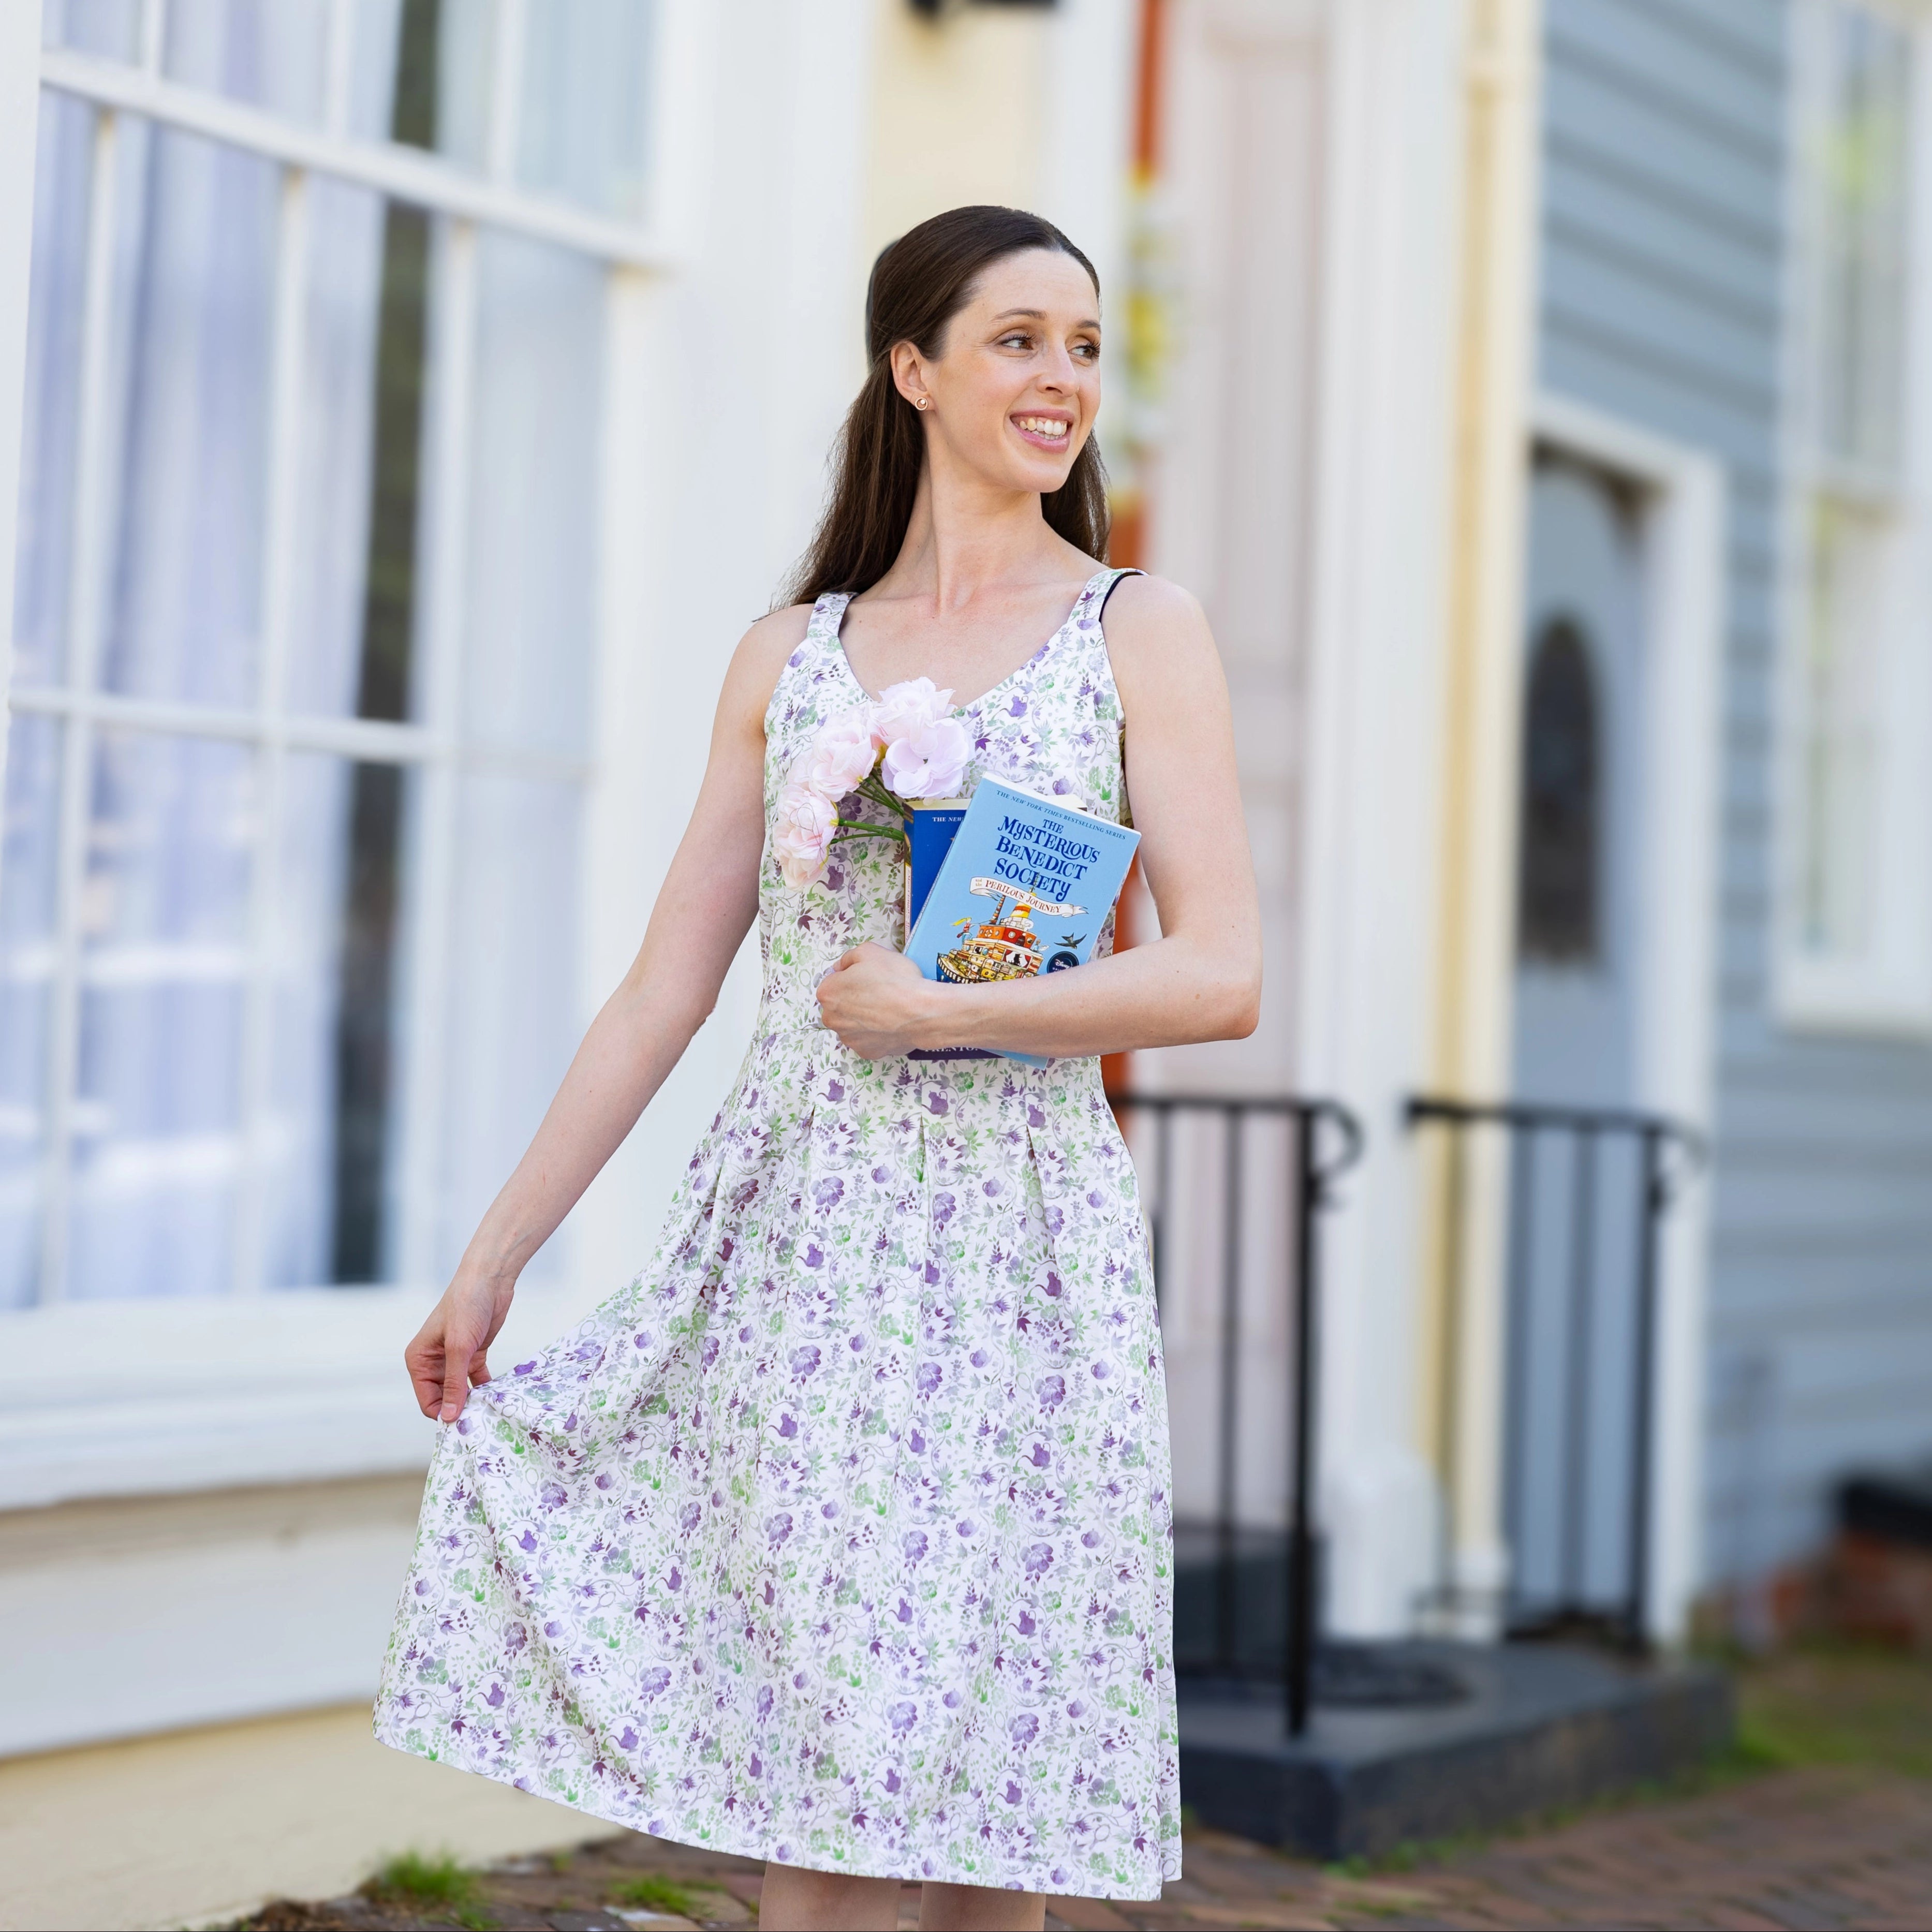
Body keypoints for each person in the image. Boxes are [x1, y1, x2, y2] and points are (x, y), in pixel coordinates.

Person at [374, 204, 1261, 1932]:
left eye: (1085, 347)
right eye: (1018, 340)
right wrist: (491, 1263)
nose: (1064, 379)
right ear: (912, 369)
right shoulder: (790, 657)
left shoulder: (1137, 629)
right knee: (837, 1769)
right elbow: (664, 990)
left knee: (988, 1797)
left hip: (1018, 1251)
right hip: (800, 1247)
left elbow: (1218, 972)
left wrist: (948, 1012)